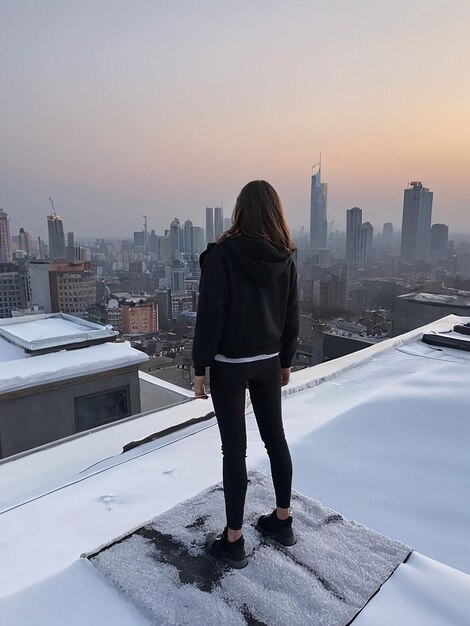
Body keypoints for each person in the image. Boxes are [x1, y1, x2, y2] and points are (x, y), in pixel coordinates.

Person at [192, 180, 299, 569]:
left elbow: (210, 316)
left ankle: (233, 540)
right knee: (276, 439)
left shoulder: (223, 255)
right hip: (269, 362)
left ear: (240, 210)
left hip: (231, 366)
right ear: (275, 211)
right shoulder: (284, 257)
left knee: (234, 450)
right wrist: (285, 359)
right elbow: (291, 316)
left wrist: (199, 366)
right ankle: (282, 521)